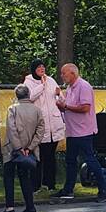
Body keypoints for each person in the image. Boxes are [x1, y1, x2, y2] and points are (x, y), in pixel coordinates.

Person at [53, 63, 106, 203]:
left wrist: (65, 106)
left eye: (64, 73)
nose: (62, 76)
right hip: (72, 131)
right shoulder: (70, 88)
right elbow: (68, 107)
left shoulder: (83, 86)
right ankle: (68, 189)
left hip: (83, 131)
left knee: (90, 160)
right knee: (70, 161)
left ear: (73, 73)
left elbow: (85, 108)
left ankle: (104, 189)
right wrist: (61, 106)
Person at [0, 84, 45, 212]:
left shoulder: (12, 109)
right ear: (28, 94)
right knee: (25, 176)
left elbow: (11, 130)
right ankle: (30, 206)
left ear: (16, 95)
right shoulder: (37, 110)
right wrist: (30, 147)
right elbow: (40, 130)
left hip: (12, 149)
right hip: (29, 148)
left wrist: (18, 148)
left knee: (8, 177)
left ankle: (10, 208)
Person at [23, 59, 65, 192]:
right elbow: (29, 97)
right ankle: (36, 185)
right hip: (39, 125)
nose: (42, 69)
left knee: (50, 156)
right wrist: (42, 85)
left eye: (43, 67)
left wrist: (59, 95)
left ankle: (50, 184)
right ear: (34, 69)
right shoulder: (28, 83)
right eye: (39, 67)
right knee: (38, 156)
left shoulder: (51, 80)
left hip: (54, 125)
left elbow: (60, 99)